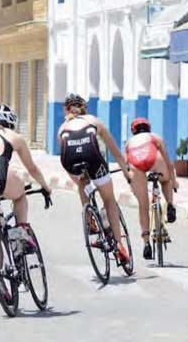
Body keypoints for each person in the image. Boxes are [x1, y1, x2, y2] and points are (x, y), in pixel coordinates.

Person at [57, 93, 132, 265]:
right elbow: (115, 152)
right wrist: (127, 173)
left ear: (65, 110)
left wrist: (80, 181)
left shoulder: (62, 128)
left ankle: (88, 215)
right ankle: (120, 245)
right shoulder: (93, 121)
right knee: (109, 200)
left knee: (82, 182)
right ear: (84, 108)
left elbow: (64, 159)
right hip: (95, 161)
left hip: (72, 163)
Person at [0, 104, 52, 245]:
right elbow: (32, 168)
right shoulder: (14, 136)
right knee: (20, 196)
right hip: (0, 175)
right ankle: (20, 235)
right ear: (11, 123)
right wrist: (46, 187)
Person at [125, 118, 179, 260]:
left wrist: (132, 185)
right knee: (165, 180)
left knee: (143, 205)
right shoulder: (155, 137)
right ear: (148, 128)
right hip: (154, 160)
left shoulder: (129, 143)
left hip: (136, 164)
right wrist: (173, 181)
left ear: (133, 131)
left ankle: (146, 243)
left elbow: (127, 166)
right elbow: (169, 162)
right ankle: (169, 205)